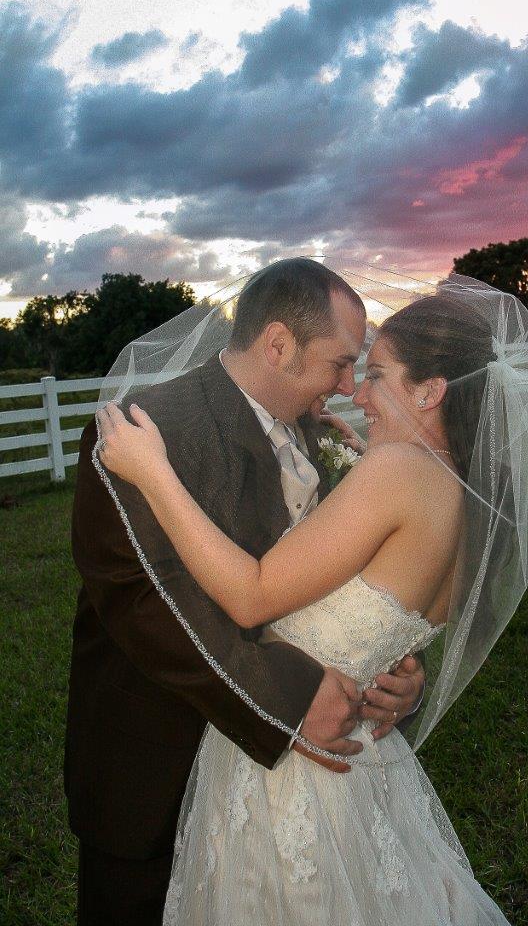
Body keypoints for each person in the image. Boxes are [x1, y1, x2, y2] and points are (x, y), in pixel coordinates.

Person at [97, 279, 528, 925]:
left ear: (431, 390)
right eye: (350, 367)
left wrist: (153, 474)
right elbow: (387, 619)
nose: (355, 393)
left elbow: (252, 597)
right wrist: (405, 680)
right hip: (361, 755)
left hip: (293, 776)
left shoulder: (394, 473)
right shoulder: (467, 499)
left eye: (376, 375)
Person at [65, 259, 424, 926]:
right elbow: (140, 603)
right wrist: (287, 697)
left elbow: (342, 583)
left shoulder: (320, 436)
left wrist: (391, 665)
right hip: (155, 771)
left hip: (280, 800)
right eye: (341, 364)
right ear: (279, 345)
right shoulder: (142, 433)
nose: (349, 388)